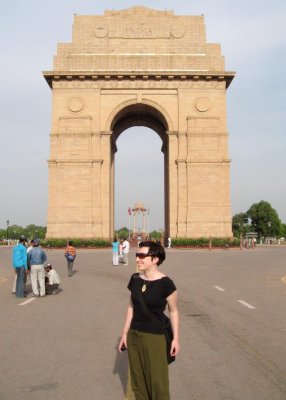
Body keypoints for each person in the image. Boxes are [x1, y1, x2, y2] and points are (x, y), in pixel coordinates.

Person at [118, 241, 179, 399]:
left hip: (154, 337)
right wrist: (125, 333)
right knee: (138, 382)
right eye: (137, 255)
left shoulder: (166, 284)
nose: (138, 259)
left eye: (142, 255)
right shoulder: (135, 279)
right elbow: (131, 307)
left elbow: (173, 312)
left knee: (158, 382)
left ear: (155, 259)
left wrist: (176, 339)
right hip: (134, 335)